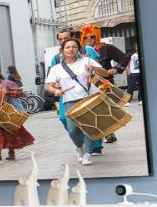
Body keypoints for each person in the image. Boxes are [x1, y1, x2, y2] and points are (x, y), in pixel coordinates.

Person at [45, 36, 110, 166]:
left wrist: (95, 69)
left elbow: (105, 74)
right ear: (62, 50)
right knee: (72, 130)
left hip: (88, 98)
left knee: (88, 128)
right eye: (68, 47)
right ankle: (80, 146)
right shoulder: (56, 68)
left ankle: (88, 154)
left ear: (78, 49)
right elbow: (48, 86)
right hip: (69, 101)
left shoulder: (87, 60)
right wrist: (55, 91)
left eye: (74, 47)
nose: (71, 49)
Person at [81, 25, 128, 146]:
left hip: (104, 82)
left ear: (96, 36)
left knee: (105, 108)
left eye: (92, 37)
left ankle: (109, 133)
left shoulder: (106, 48)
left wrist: (116, 69)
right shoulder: (80, 50)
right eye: (86, 37)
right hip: (85, 84)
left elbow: (124, 58)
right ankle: (98, 136)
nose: (89, 39)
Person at [0, 68, 35, 162]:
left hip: (7, 112)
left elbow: (20, 93)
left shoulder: (7, 83)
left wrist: (8, 92)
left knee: (10, 133)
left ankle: (11, 153)